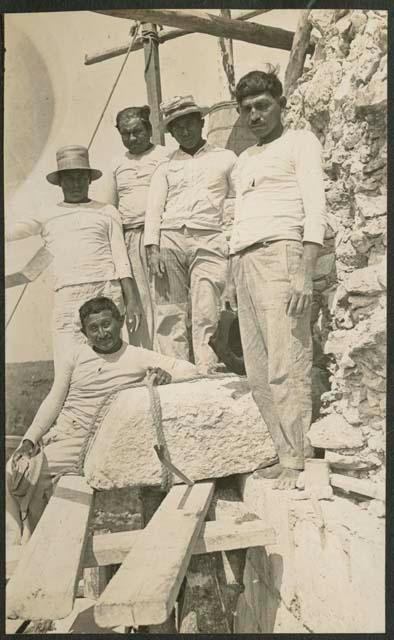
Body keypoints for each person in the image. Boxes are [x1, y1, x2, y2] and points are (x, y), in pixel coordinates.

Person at [6, 297, 198, 545]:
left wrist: (167, 375)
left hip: (92, 442)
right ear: (85, 332)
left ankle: (32, 544)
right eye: (93, 329)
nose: (102, 333)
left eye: (106, 324)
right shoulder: (75, 356)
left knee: (30, 476)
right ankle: (14, 546)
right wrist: (29, 440)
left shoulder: (137, 356)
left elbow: (189, 370)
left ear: (119, 322)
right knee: (12, 471)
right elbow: (54, 400)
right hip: (62, 435)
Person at [225, 69, 328, 490]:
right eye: (246, 109)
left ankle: (299, 457)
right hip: (244, 262)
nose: (255, 115)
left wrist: (304, 271)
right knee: (259, 370)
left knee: (289, 361)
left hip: (282, 255)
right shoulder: (243, 161)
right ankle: (282, 451)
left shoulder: (300, 142)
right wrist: (232, 275)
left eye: (263, 105)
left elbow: (315, 207)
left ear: (280, 104)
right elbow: (237, 220)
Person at [5, 145, 141, 357]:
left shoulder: (107, 211)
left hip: (106, 289)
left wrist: (131, 300)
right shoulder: (47, 213)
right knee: (68, 355)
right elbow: (10, 232)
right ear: (60, 182)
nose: (76, 183)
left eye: (81, 177)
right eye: (69, 178)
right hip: (68, 293)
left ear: (89, 179)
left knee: (111, 355)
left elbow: (121, 260)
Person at [144, 95, 237, 373]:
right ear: (171, 133)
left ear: (201, 122)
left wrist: (230, 240)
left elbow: (235, 201)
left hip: (209, 238)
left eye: (189, 123)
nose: (184, 131)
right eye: (177, 127)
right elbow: (154, 208)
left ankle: (207, 368)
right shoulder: (165, 165)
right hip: (170, 239)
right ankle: (177, 372)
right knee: (170, 311)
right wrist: (152, 247)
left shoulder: (226, 158)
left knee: (206, 307)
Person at [107, 106, 168, 348]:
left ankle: (175, 361)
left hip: (162, 236)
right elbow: (111, 209)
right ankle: (147, 360)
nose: (132, 138)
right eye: (125, 133)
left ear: (149, 129)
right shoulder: (116, 164)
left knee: (167, 300)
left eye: (137, 131)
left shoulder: (166, 156)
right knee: (139, 301)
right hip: (131, 238)